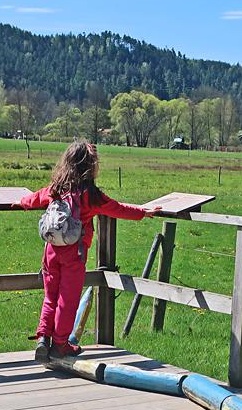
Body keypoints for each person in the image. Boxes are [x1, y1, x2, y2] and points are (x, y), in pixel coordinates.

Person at [17, 140, 160, 360]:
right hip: (74, 254)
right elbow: (118, 209)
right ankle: (61, 345)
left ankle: (43, 338)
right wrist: (143, 212)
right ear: (89, 166)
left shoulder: (57, 189)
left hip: (51, 251)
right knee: (68, 299)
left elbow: (34, 198)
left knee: (50, 297)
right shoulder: (90, 195)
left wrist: (20, 201)